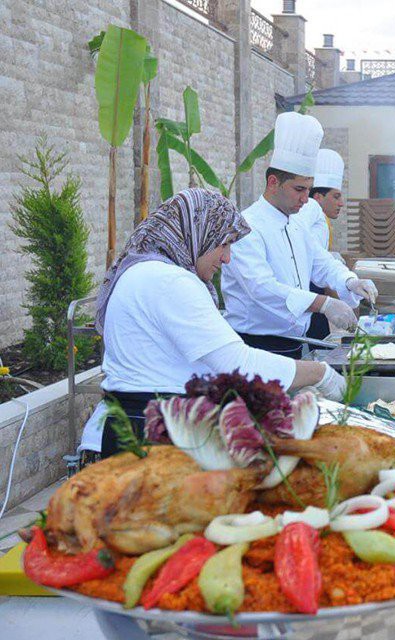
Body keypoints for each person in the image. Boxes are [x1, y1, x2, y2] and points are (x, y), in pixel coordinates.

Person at [93, 189, 345, 458]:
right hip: (156, 435)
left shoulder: (144, 272)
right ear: (197, 232)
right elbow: (237, 364)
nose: (227, 258)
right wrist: (319, 373)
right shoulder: (170, 281)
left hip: (136, 426)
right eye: (223, 244)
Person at [222, 113, 378, 356]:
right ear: (273, 182)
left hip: (293, 343)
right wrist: (323, 303)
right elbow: (261, 289)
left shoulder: (296, 224)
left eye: (308, 189)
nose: (306, 199)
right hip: (255, 346)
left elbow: (321, 262)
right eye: (299, 189)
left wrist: (350, 281)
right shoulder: (247, 226)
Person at [298, 148, 347, 340]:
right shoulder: (312, 211)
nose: (341, 203)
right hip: (310, 294)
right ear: (317, 197)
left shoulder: (322, 219)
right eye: (336, 196)